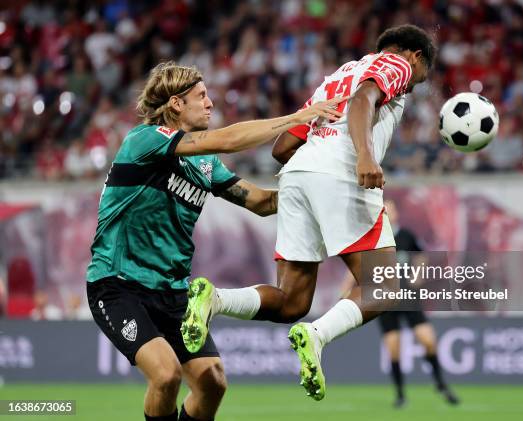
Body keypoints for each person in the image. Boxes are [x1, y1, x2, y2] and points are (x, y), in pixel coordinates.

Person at [181, 24, 436, 401]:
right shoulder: (396, 63)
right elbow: (365, 97)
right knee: (383, 286)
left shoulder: (336, 77)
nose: (414, 85)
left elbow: (282, 147)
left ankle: (215, 300)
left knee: (292, 302)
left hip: (298, 175)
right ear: (415, 56)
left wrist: (315, 168)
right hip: (344, 172)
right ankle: (317, 336)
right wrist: (365, 154)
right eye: (420, 76)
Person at [86, 61, 343, 421]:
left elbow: (262, 203)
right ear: (176, 104)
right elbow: (227, 139)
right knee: (166, 375)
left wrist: (323, 189)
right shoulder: (144, 141)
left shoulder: (205, 164)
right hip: (118, 285)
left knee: (213, 383)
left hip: (173, 292)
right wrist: (299, 118)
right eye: (201, 97)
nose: (210, 104)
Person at [341, 199, 459, 408]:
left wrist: (417, 275)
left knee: (428, 340)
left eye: (390, 209)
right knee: (394, 348)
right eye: (383, 209)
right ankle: (400, 395)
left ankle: (440, 384)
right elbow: (355, 266)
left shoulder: (405, 236)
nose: (387, 212)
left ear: (395, 214)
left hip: (408, 296)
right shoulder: (371, 239)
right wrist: (345, 290)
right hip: (384, 300)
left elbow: (421, 255)